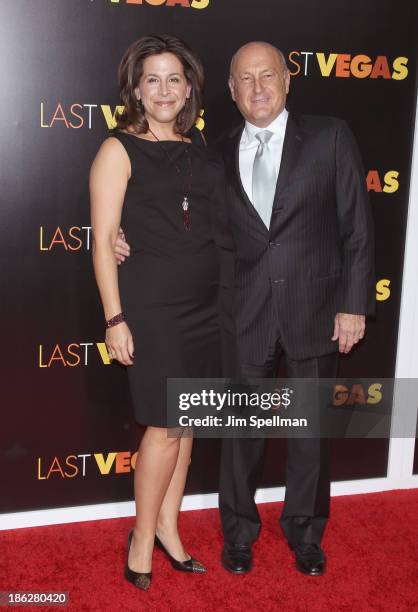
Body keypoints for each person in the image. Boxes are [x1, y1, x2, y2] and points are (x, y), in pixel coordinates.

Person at [115, 41, 375, 577]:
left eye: (268, 76)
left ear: (287, 80)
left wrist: (354, 306)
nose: (258, 88)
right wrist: (122, 235)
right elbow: (182, 220)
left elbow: (358, 228)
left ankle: (306, 534)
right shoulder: (213, 152)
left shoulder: (330, 136)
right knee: (240, 436)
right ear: (231, 92)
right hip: (241, 314)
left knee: (310, 433)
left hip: (315, 310)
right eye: (245, 80)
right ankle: (238, 534)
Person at [90, 34, 235, 591]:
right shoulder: (117, 149)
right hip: (153, 309)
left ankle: (171, 529)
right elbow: (103, 241)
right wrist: (114, 318)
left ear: (190, 87)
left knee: (190, 422)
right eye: (153, 78)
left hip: (208, 305)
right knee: (168, 425)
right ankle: (142, 538)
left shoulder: (202, 149)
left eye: (175, 78)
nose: (165, 89)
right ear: (135, 88)